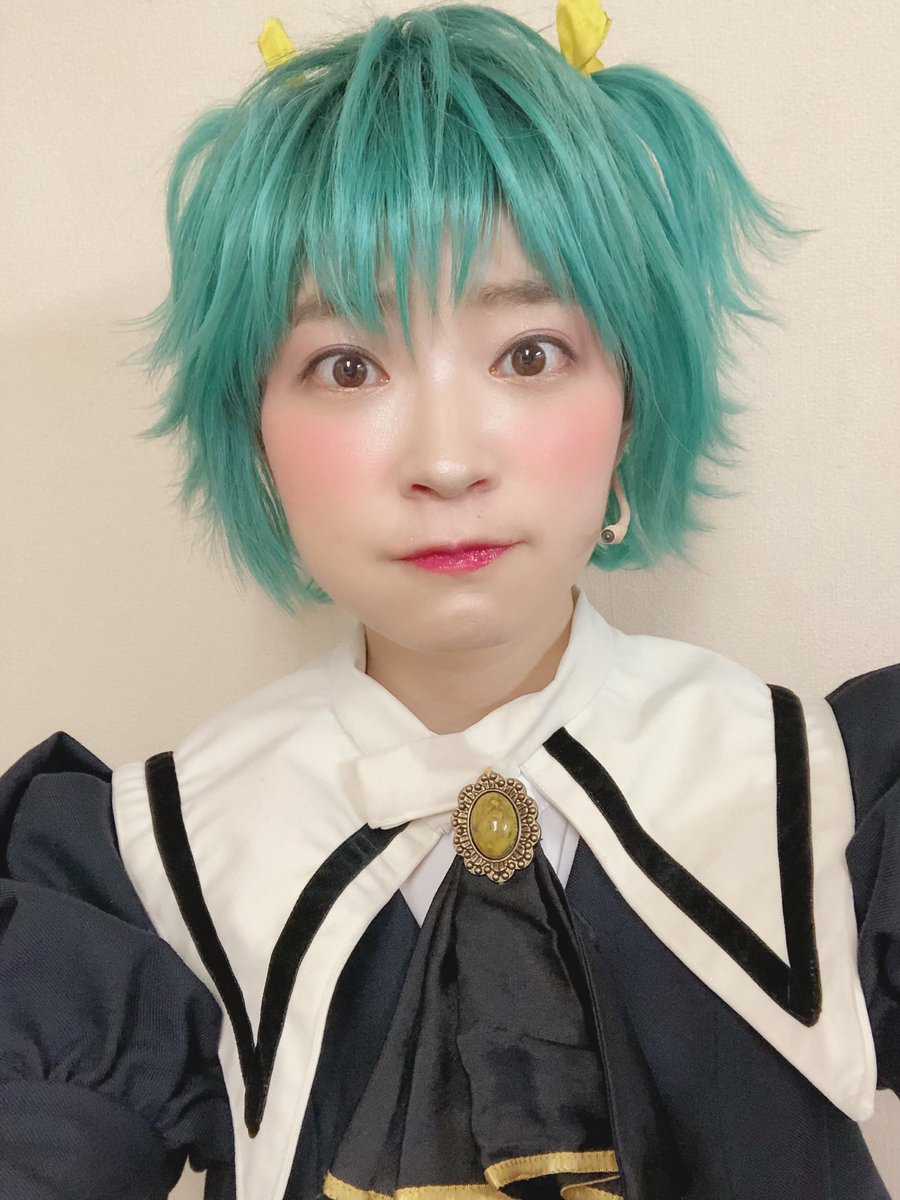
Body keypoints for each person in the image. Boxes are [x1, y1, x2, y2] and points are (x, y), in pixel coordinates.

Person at [1, 2, 897, 1198]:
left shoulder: (831, 807)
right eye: (348, 365)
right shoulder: (129, 876)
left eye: (529, 353)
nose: (446, 458)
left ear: (632, 398)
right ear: (255, 430)